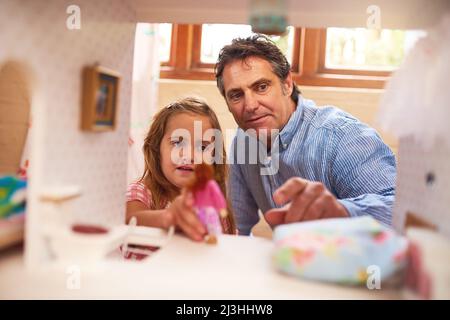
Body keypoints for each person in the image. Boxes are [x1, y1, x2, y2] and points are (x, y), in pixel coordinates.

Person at [214, 34, 396, 235]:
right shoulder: (243, 141)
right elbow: (235, 226)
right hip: (293, 262)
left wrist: (343, 212)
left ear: (287, 84)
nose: (250, 105)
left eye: (262, 87)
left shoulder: (340, 136)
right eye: (236, 95)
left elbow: (402, 214)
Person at [126, 97, 236, 241]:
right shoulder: (141, 191)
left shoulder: (212, 201)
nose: (189, 156)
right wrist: (168, 218)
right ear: (156, 148)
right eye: (177, 143)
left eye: (202, 147)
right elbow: (129, 220)